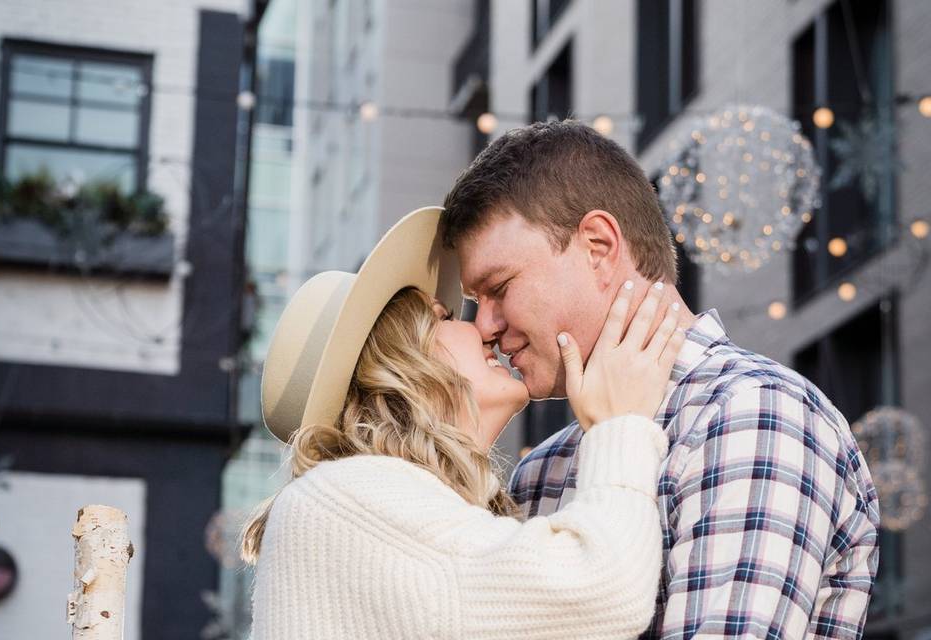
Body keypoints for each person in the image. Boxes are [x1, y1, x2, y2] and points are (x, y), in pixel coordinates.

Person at [440, 120, 881, 639]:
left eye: (499, 288)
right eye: (475, 303)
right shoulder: (542, 471)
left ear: (599, 247)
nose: (484, 326)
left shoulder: (753, 414)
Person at [241, 207, 685, 639]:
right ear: (401, 363)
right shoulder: (347, 497)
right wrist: (620, 425)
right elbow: (602, 591)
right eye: (445, 318)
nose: (483, 329)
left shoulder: (375, 503)